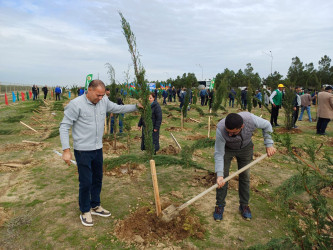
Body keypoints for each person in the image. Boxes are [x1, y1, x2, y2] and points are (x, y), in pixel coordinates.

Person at [59, 80, 141, 227]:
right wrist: (66, 150)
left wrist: (136, 106)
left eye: (103, 95)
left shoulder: (103, 101)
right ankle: (85, 210)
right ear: (89, 90)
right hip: (83, 150)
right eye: (98, 95)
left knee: (98, 178)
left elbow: (117, 108)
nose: (101, 98)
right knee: (86, 181)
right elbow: (64, 126)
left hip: (98, 148)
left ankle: (95, 205)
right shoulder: (76, 104)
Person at [213, 112, 276, 221]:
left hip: (246, 148)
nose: (230, 135)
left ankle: (244, 205)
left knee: (245, 177)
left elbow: (267, 125)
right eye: (228, 132)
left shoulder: (250, 119)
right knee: (223, 178)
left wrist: (269, 144)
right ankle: (219, 206)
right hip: (227, 150)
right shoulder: (221, 129)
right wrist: (219, 174)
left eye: (233, 133)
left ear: (241, 127)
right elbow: (219, 153)